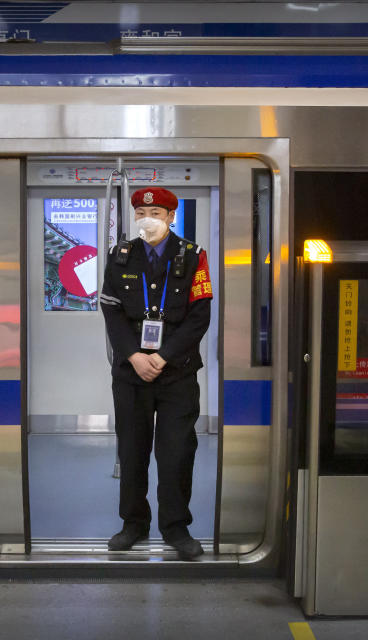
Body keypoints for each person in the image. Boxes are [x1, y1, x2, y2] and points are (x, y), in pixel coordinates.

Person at [99, 187, 213, 560]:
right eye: (142, 212)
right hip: (131, 373)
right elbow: (112, 312)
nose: (148, 218)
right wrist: (133, 355)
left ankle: (176, 527)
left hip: (176, 373)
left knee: (177, 452)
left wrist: (161, 357)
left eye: (156, 212)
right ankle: (133, 523)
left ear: (170, 217)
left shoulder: (194, 256)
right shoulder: (120, 257)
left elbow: (199, 317)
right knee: (132, 451)